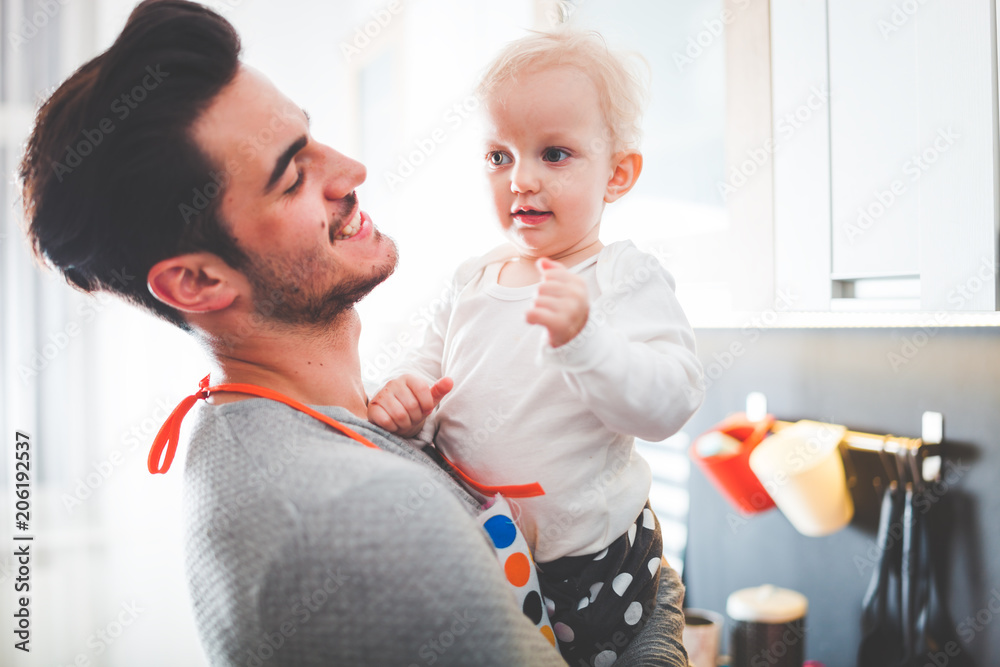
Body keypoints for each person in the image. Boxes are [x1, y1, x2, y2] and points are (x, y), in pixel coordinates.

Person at [19, 1, 689, 665]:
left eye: (311, 137)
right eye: (292, 176)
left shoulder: (274, 426)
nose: (351, 170)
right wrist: (664, 610)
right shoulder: (360, 524)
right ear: (196, 282)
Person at [368, 29, 704, 665]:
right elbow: (426, 365)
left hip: (609, 582)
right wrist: (406, 396)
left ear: (619, 173)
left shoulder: (622, 279)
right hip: (496, 569)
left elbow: (670, 404)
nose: (520, 180)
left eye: (554, 153)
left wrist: (586, 342)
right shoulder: (471, 278)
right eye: (499, 156)